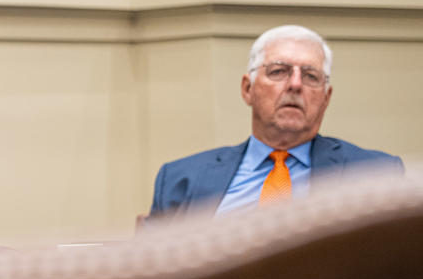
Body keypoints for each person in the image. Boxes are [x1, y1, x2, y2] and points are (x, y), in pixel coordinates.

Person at [147, 25, 403, 220]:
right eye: (278, 72)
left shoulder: (375, 174)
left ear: (326, 97)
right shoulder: (181, 178)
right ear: (248, 89)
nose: (295, 84)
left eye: (311, 76)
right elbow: (151, 274)